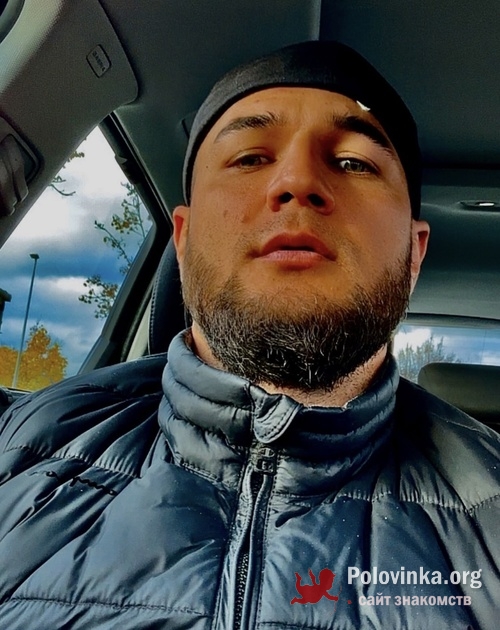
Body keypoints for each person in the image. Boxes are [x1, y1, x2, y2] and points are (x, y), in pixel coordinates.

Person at [0, 41, 498, 630]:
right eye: (249, 157)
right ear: (183, 240)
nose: (297, 181)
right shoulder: (16, 449)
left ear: (414, 253)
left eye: (354, 163)